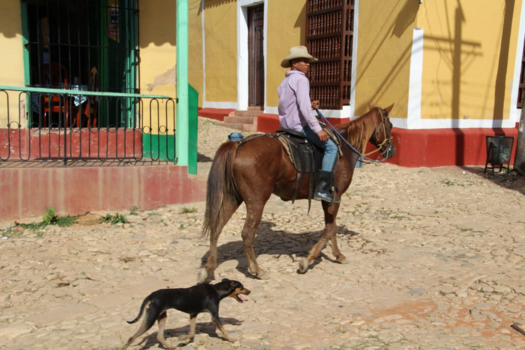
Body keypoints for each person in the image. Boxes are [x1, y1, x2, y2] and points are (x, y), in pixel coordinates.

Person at [278, 46, 339, 203]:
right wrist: (317, 129)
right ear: (294, 63)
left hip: (285, 126)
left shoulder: (285, 82)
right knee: (332, 148)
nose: (308, 64)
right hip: (299, 126)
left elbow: (290, 106)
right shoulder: (301, 79)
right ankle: (322, 189)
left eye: (308, 61)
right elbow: (303, 107)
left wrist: (310, 105)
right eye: (304, 61)